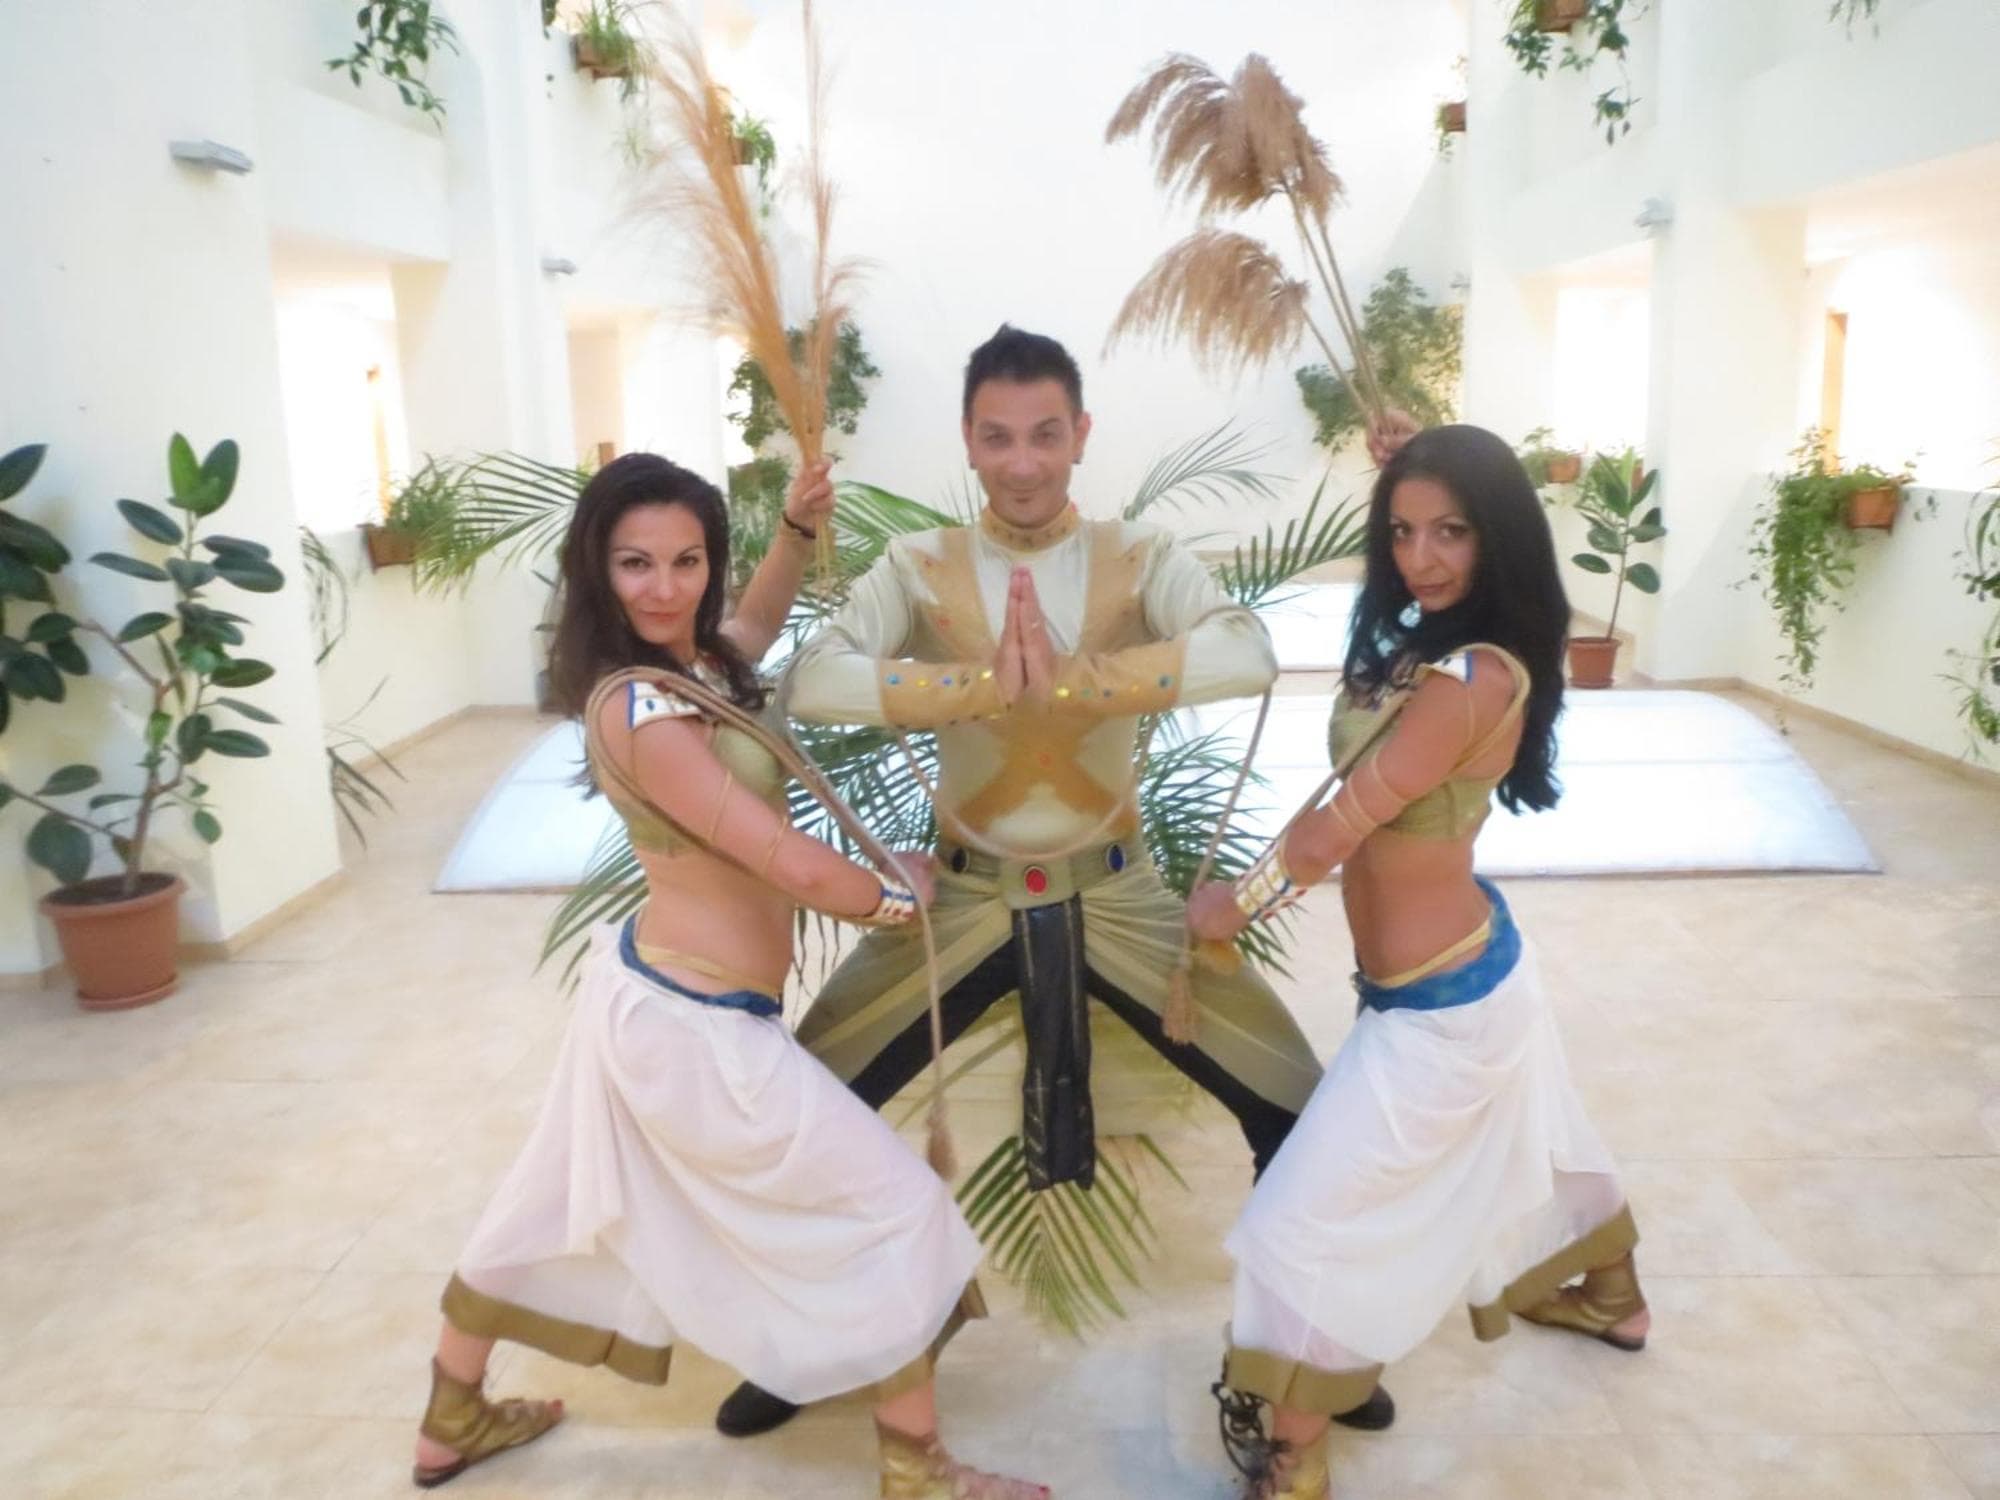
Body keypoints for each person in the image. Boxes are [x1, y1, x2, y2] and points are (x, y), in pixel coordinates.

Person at [714, 325, 1396, 1440]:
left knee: (1293, 1110)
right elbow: (814, 682)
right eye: (997, 438)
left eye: (1043, 435)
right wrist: (974, 685)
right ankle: (803, 1351)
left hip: (1120, 895)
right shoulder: (919, 564)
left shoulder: (1139, 557)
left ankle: (1313, 1361)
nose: (1022, 463)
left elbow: (1246, 652)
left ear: (1080, 434)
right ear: (968, 442)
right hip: (963, 902)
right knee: (809, 1110)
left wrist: (1076, 681)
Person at [409, 453, 1049, 1500]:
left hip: (652, 999)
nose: (665, 587)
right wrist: (895, 896)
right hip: (693, 1030)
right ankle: (916, 1468)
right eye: (636, 564)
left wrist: (793, 532)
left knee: (546, 1206)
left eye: (687, 560)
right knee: (895, 1211)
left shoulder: (691, 667)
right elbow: (784, 861)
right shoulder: (638, 714)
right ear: (597, 569)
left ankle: (451, 1417)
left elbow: (750, 627)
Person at [1185, 424, 1648, 1500]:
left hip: (1445, 1010)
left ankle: (1295, 1457)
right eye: (1401, 531)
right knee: (1544, 1133)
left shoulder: (1469, 678)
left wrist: (1226, 910)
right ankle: (1612, 1296)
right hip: (1467, 974)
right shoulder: (1439, 646)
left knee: (1307, 1222)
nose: (1420, 558)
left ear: (1498, 537)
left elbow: (1329, 836)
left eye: (1450, 532)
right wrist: (1411, 450)